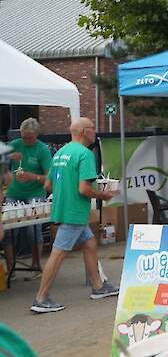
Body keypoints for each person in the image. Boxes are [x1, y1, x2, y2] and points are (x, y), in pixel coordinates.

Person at [30, 117, 120, 313]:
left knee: (89, 243)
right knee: (58, 253)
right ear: (83, 132)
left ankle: (98, 287)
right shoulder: (85, 154)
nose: (95, 131)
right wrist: (103, 195)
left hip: (63, 209)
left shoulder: (61, 152)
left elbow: (48, 184)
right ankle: (41, 298)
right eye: (92, 128)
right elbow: (84, 189)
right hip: (75, 212)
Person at [3, 118, 52, 279]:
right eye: (24, 137)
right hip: (13, 193)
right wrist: (8, 157)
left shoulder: (42, 150)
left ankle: (36, 264)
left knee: (34, 229)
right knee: (8, 229)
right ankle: (11, 267)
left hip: (35, 194)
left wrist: (33, 177)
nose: (26, 141)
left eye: (30, 138)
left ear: (37, 135)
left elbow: (49, 178)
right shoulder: (15, 144)